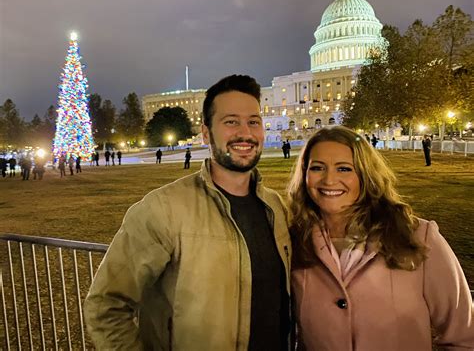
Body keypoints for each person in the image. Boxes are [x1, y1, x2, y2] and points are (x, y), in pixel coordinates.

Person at [84, 75, 291, 350]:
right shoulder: (162, 209)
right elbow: (106, 305)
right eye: (231, 121)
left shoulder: (278, 208)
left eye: (253, 121)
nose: (246, 133)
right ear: (206, 132)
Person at [288, 126, 473, 350]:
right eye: (317, 167)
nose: (329, 180)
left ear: (366, 175)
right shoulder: (295, 242)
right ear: (305, 175)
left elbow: (464, 335)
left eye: (344, 169)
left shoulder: (418, 237)